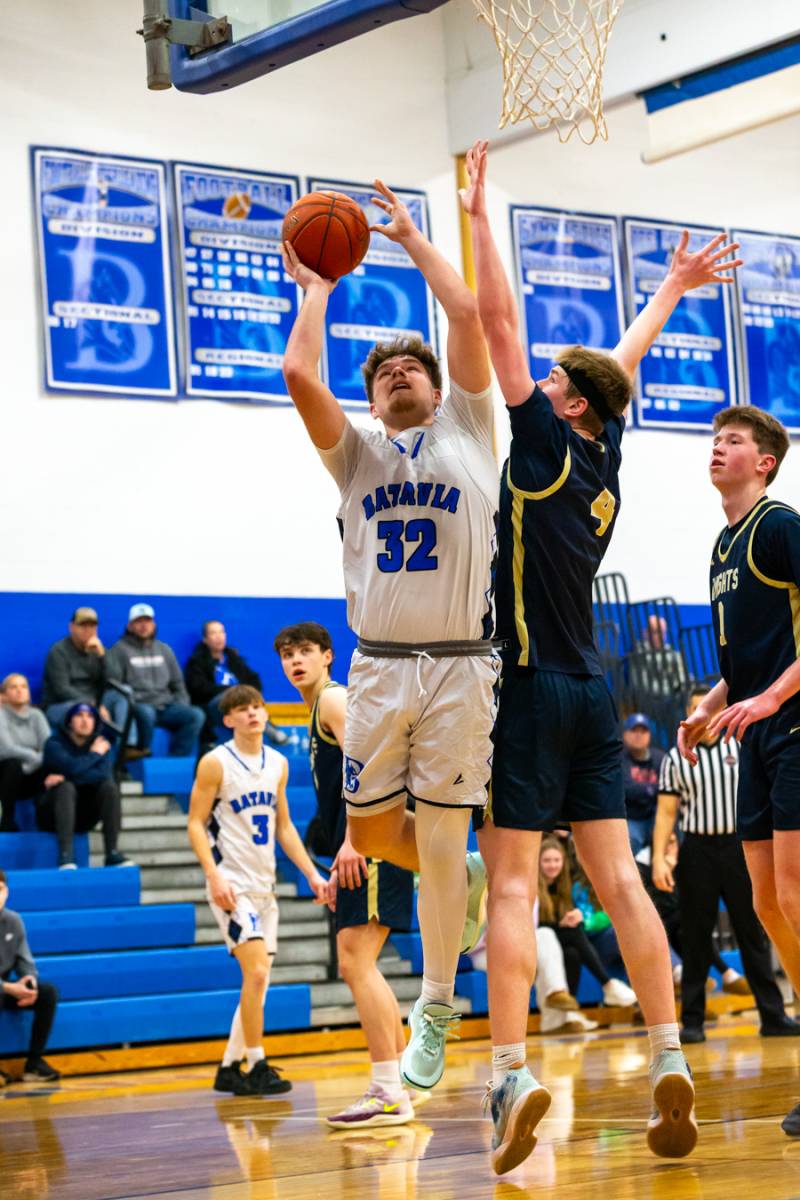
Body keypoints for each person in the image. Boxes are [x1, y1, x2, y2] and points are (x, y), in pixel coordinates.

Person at [462, 137, 742, 1172]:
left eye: (545, 383)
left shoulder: (540, 444)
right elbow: (615, 372)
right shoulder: (601, 446)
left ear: (561, 404)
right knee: (618, 883)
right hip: (595, 689)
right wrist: (667, 289)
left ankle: (507, 1076)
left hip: (530, 688)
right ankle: (668, 1050)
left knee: (504, 888)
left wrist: (481, 218)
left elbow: (498, 323)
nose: (529, 384)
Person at [281, 179, 495, 1094]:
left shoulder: (474, 431)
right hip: (375, 669)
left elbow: (468, 310)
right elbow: (299, 377)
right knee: (370, 831)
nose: (398, 374)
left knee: (439, 842)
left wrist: (410, 238)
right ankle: (468, 878)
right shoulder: (358, 454)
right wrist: (317, 288)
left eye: (411, 368)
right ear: (371, 401)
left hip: (459, 669)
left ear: (441, 390)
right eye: (382, 373)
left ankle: (437, 1007)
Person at [677, 407, 800, 1136]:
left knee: (792, 890)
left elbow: (776, 668)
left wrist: (773, 695)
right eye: (715, 438)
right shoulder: (724, 546)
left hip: (794, 722)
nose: (718, 448)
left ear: (765, 462)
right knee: (767, 906)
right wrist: (710, 705)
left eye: (734, 442)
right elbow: (743, 660)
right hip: (756, 731)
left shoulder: (781, 525)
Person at [275, 620, 418, 1127]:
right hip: (364, 842)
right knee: (361, 961)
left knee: (355, 960)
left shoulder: (333, 701)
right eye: (288, 654)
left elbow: (375, 764)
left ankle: (387, 1091)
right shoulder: (318, 708)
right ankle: (397, 1084)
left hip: (371, 843)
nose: (296, 661)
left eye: (306, 651)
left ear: (328, 656)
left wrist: (355, 840)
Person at [187, 683, 328, 1096]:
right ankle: (257, 1062)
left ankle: (228, 1068)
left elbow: (284, 827)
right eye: (243, 709)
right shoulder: (215, 763)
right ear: (228, 719)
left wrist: (312, 874)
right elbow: (195, 823)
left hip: (265, 885)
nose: (253, 714)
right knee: (258, 971)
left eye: (258, 707)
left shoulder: (279, 763)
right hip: (232, 882)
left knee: (258, 983)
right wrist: (214, 875)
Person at [654, 683, 793, 1043]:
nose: (706, 714)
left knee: (753, 930)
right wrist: (658, 859)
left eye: (710, 706)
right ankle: (694, 1022)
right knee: (695, 936)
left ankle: (774, 1015)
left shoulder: (740, 744)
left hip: (738, 846)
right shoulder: (674, 757)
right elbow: (667, 811)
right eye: (697, 708)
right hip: (696, 851)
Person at [538, 837, 636, 1009]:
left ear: (563, 861)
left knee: (572, 953)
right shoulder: (533, 887)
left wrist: (575, 916)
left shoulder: (565, 886)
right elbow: (537, 927)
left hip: (559, 941)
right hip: (538, 941)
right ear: (538, 862)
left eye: (556, 860)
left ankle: (569, 1008)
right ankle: (607, 984)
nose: (552, 865)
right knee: (573, 932)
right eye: (547, 860)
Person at [38, 703, 131, 870]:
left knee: (109, 787)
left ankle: (112, 852)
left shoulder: (102, 744)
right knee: (65, 788)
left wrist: (69, 774)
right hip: (51, 814)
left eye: (90, 717)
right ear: (69, 722)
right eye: (79, 715)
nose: (85, 720)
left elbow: (102, 775)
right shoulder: (54, 744)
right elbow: (71, 767)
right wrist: (94, 756)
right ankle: (66, 855)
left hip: (85, 815)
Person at [107, 604, 205, 757]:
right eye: (139, 621)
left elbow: (178, 683)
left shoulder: (164, 649)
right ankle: (141, 755)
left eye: (147, 621)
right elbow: (115, 685)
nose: (144, 625)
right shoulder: (118, 650)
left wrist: (181, 704)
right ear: (130, 626)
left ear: (153, 624)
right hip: (139, 705)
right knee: (147, 713)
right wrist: (132, 702)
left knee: (195, 715)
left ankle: (176, 760)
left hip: (166, 706)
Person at [185, 621, 288, 750]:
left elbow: (254, 679)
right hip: (214, 705)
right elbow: (199, 688)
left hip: (241, 699)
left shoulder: (233, 657)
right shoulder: (197, 661)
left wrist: (246, 692)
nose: (219, 636)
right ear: (205, 640)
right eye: (213, 633)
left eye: (221, 632)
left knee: (248, 699)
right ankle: (270, 729)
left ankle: (263, 728)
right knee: (237, 697)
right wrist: (232, 691)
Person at [0, 867, 60, 1081]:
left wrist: (29, 983)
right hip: (2, 988)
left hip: (6, 989)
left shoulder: (13, 920)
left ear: (6, 891)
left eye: (0, 889)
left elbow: (25, 960)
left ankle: (34, 1063)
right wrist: (8, 987)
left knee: (48, 993)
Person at [41, 607, 109, 726]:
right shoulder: (58, 651)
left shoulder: (99, 651)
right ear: (71, 627)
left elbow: (111, 682)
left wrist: (102, 657)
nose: (88, 630)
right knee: (83, 711)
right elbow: (62, 690)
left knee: (122, 697)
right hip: (61, 705)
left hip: (94, 702)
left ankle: (127, 744)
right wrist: (90, 703)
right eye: (83, 625)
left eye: (92, 626)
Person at [0, 675, 50, 833]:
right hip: (4, 775)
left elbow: (49, 748)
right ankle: (6, 820)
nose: (19, 691)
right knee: (12, 764)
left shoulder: (37, 715)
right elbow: (6, 749)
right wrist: (34, 754)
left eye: (23, 686)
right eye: (14, 687)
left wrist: (29, 765)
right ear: (4, 695)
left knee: (52, 767)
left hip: (30, 773)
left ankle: (46, 821)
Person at [622, 713, 665, 855]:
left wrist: (643, 790)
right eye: (634, 730)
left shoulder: (660, 758)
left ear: (649, 735)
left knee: (673, 835)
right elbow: (626, 790)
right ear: (625, 734)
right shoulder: (618, 758)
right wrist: (655, 789)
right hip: (630, 818)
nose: (639, 735)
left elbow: (669, 789)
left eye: (643, 731)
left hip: (654, 815)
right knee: (631, 840)